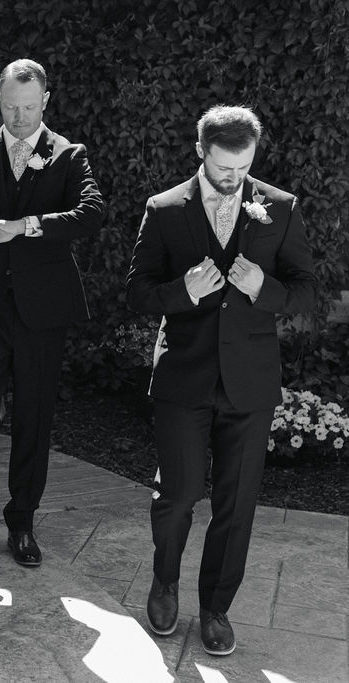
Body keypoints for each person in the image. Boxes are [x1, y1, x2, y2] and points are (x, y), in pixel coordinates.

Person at [127, 105, 316, 656]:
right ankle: (165, 581)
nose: (234, 179)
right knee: (179, 494)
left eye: (243, 168)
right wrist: (182, 291)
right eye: (223, 168)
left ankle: (216, 608)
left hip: (250, 383)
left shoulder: (279, 209)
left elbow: (306, 291)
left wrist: (264, 287)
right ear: (200, 153)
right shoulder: (164, 210)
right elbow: (138, 293)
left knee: (236, 503)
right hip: (184, 378)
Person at [0, 58, 104, 566]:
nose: (20, 117)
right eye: (11, 107)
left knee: (34, 418)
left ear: (45, 101)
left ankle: (22, 523)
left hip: (42, 313)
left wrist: (24, 224)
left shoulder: (69, 155)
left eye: (29, 107)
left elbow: (92, 213)